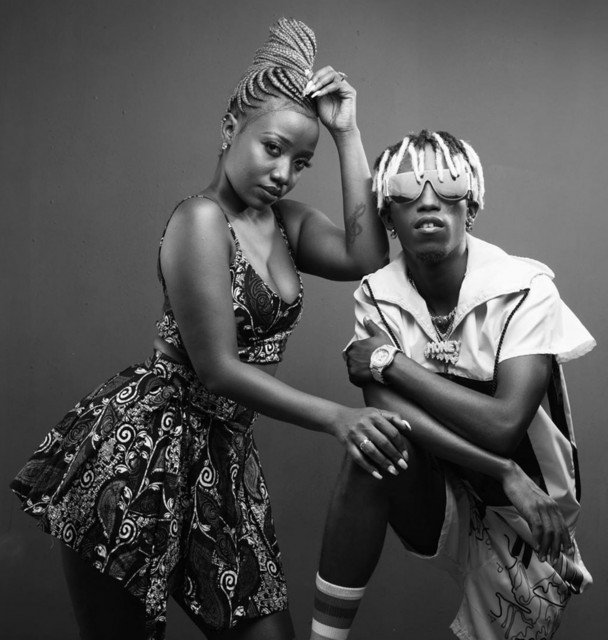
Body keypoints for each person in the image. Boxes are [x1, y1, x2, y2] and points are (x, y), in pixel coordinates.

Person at [10, 18, 412, 640]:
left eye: (300, 162)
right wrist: (339, 417)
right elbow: (218, 369)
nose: (284, 172)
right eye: (272, 148)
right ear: (230, 129)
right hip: (143, 452)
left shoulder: (288, 224)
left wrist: (347, 133)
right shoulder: (200, 220)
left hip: (224, 456)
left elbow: (367, 255)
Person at [309, 129, 595, 640]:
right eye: (406, 190)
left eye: (446, 185)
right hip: (439, 491)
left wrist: (390, 361)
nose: (428, 203)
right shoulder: (377, 295)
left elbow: (504, 426)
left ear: (472, 204)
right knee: (371, 442)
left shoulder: (524, 289)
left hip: (528, 513)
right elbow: (391, 414)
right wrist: (502, 469)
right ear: (387, 216)